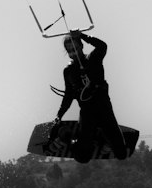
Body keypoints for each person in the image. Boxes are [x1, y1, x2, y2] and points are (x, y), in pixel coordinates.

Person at [47, 31, 129, 162]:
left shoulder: (94, 59)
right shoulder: (68, 71)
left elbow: (102, 46)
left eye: (75, 48)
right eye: (69, 51)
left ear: (81, 46)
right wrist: (59, 115)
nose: (73, 53)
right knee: (82, 158)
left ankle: (103, 139)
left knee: (121, 154)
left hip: (104, 110)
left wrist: (82, 35)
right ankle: (65, 136)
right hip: (87, 114)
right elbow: (68, 96)